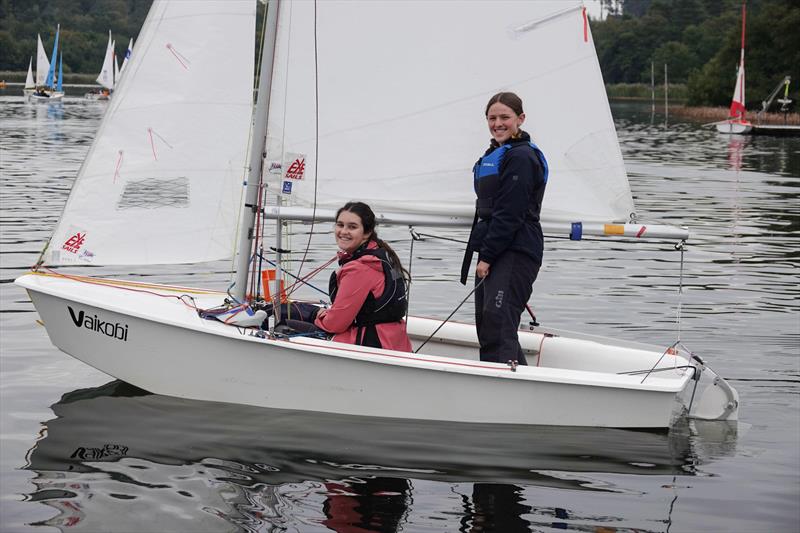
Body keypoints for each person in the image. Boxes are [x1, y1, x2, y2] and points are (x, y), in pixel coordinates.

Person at [461, 92, 548, 365]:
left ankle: (502, 383)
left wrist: (487, 256)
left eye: (504, 117)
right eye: (492, 118)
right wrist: (487, 253)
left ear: (520, 119)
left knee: (497, 323)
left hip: (516, 249)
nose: (497, 123)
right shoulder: (496, 153)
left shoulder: (521, 157)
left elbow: (510, 213)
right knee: (490, 324)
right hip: (498, 247)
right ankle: (519, 379)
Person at [309, 201, 412, 352]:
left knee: (285, 323)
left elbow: (335, 324)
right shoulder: (382, 254)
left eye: (352, 227)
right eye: (340, 225)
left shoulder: (359, 268)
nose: (343, 231)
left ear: (367, 232)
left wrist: (315, 314)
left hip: (372, 347)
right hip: (396, 342)